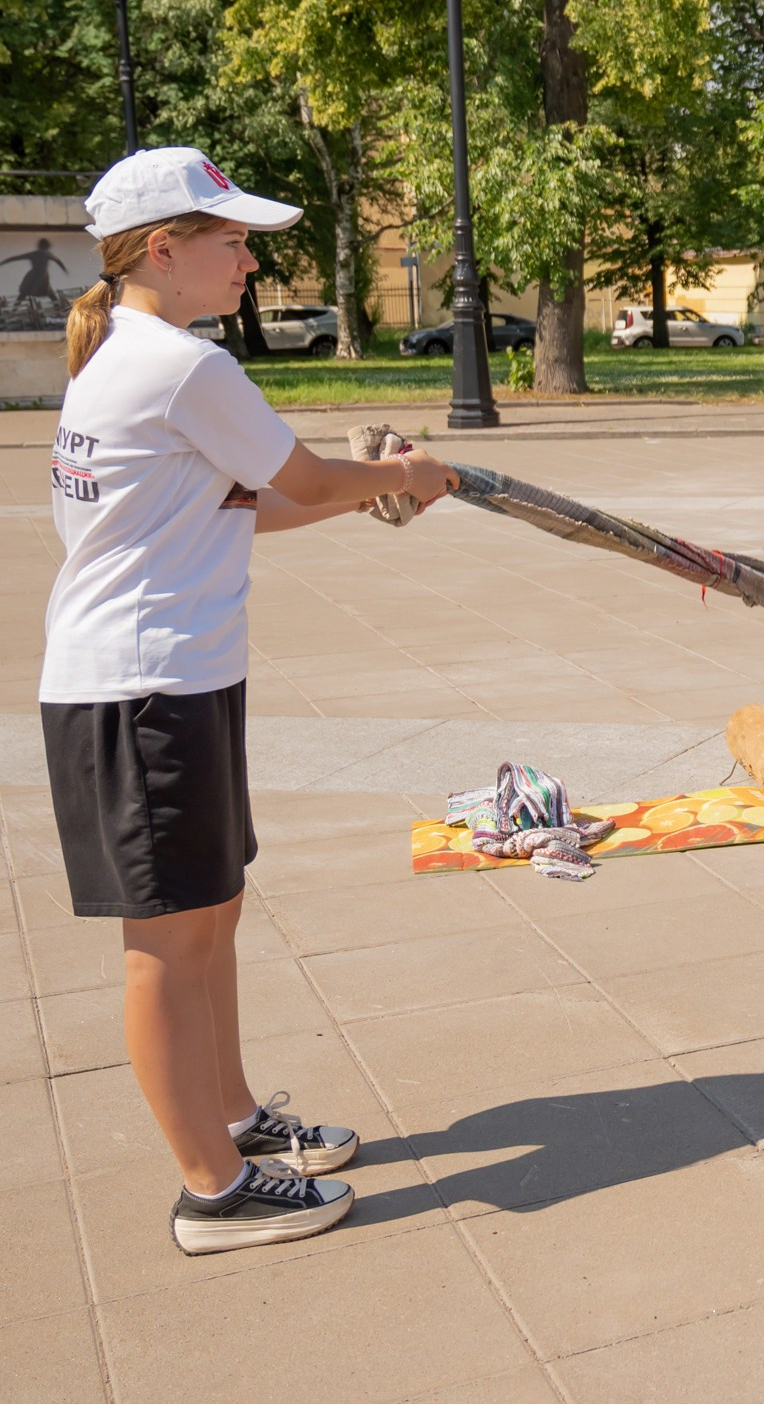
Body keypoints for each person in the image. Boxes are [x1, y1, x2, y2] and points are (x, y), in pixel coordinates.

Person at [43, 148, 459, 1254]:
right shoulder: (181, 366)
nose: (248, 258)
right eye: (229, 240)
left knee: (211, 913)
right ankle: (211, 1191)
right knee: (166, 944)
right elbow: (311, 479)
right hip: (139, 688)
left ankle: (233, 1120)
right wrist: (402, 479)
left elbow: (249, 505)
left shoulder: (138, 354)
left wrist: (370, 493)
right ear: (161, 251)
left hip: (176, 676)